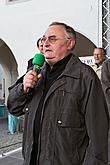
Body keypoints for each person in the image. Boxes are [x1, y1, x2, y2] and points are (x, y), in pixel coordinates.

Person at [7, 22, 109, 165]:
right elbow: (13, 108)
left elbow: (99, 137)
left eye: (52, 39)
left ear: (70, 44)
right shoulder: (35, 72)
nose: (45, 43)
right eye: (43, 39)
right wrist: (22, 89)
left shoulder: (85, 77)